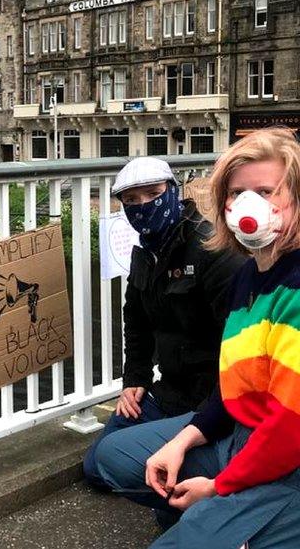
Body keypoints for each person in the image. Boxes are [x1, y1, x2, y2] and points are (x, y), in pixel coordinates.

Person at [92, 127, 300, 547]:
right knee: (109, 458)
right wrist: (182, 439)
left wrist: (219, 486)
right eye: (238, 191)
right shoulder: (249, 274)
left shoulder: (274, 280)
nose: (249, 203)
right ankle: (214, 518)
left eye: (266, 190)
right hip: (231, 425)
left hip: (284, 460)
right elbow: (236, 380)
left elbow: (288, 426)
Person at [82, 157, 244, 487]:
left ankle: (203, 476)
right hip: (169, 391)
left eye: (153, 194)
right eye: (130, 200)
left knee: (150, 479)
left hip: (212, 399)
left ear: (173, 192)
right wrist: (135, 378)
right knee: (96, 469)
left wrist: (209, 415)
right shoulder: (145, 251)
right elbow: (136, 320)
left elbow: (239, 346)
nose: (143, 206)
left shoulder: (212, 251)